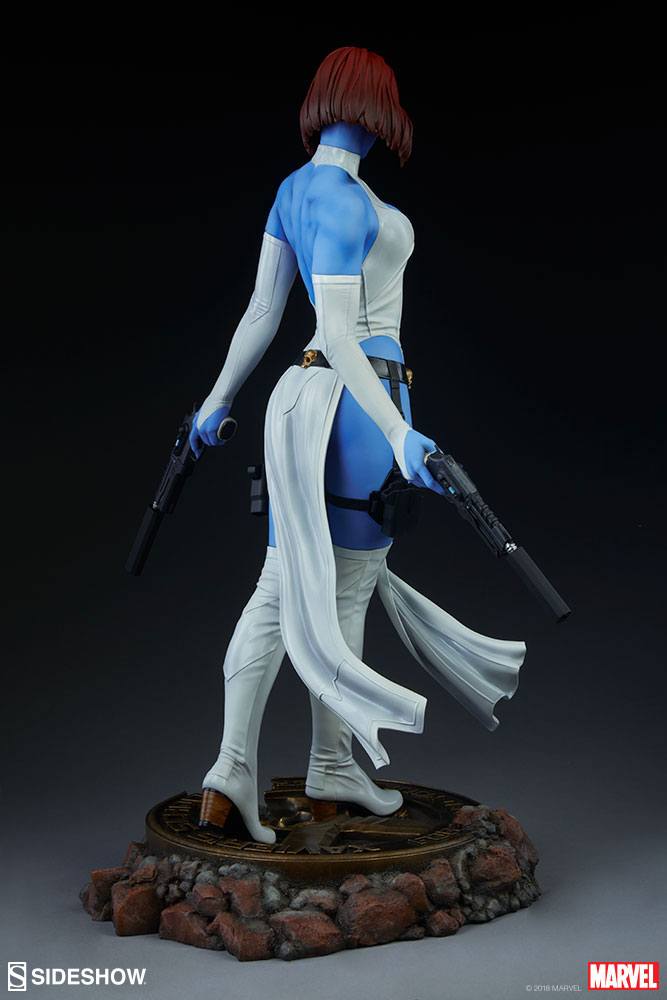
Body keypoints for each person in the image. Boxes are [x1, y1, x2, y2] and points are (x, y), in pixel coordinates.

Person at [190, 47, 526, 845]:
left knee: (280, 585)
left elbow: (262, 312)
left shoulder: (292, 190)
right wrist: (398, 429)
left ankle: (238, 769)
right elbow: (341, 334)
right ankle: (324, 765)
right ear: (375, 107)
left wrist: (216, 399)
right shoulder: (344, 201)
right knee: (344, 588)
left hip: (296, 399)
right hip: (357, 403)